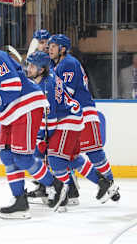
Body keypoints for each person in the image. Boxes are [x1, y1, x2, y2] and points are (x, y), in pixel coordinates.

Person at [0, 28, 68, 219]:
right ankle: (20, 201)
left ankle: (55, 184)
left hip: (25, 104)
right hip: (11, 110)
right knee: (6, 155)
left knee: (21, 157)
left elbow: (13, 86)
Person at [25, 51, 118, 208]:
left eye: (32, 66)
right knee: (72, 159)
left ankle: (65, 193)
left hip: (67, 121)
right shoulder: (48, 77)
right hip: (72, 118)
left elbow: (51, 120)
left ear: (41, 70)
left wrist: (42, 138)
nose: (28, 68)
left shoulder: (46, 87)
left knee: (55, 158)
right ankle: (104, 183)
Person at [48, 34, 120, 204]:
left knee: (94, 151)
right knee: (71, 158)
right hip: (71, 117)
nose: (49, 48)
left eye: (53, 46)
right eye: (49, 46)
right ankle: (84, 189)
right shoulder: (57, 66)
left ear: (63, 49)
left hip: (83, 111)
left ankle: (110, 184)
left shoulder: (68, 63)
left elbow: (66, 94)